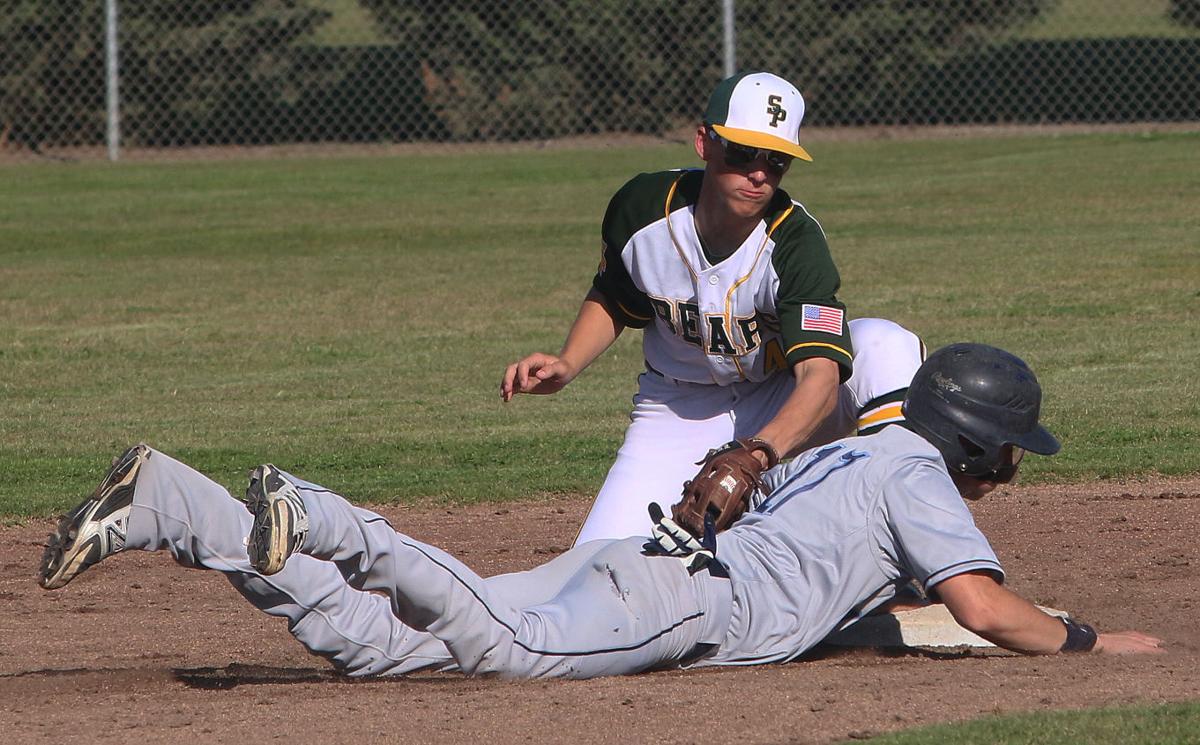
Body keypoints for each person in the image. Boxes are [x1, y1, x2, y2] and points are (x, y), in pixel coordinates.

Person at [40, 343, 1163, 680]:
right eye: (1008, 451)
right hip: (681, 602)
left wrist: (961, 624)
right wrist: (1084, 639)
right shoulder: (919, 475)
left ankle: (173, 504)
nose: (1008, 470)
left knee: (384, 651)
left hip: (649, 563)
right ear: (973, 439)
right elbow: (977, 600)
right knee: (498, 642)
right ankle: (319, 514)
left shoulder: (859, 453)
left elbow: (904, 610)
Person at [501, 71, 910, 545]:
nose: (758, 173)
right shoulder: (642, 210)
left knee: (882, 344)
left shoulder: (795, 242)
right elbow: (616, 295)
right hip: (678, 408)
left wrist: (756, 454)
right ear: (704, 142)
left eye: (776, 160)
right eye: (742, 153)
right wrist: (568, 363)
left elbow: (820, 376)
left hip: (782, 398)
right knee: (602, 565)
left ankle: (901, 531)